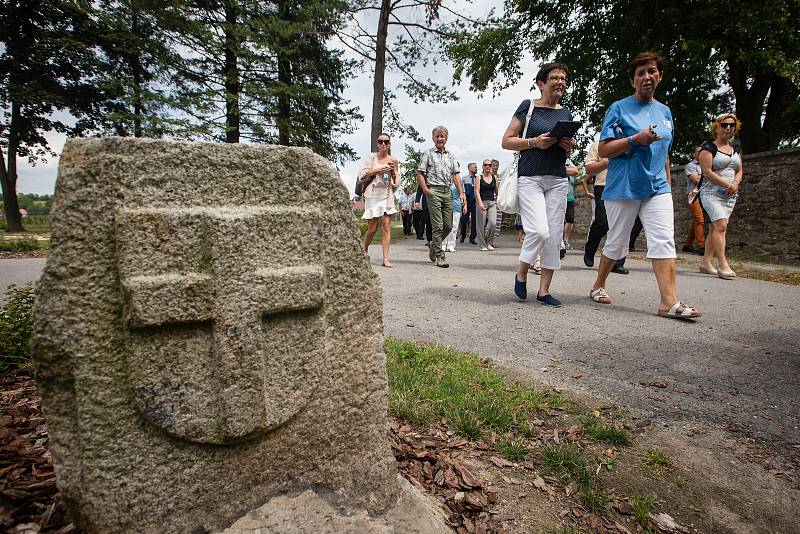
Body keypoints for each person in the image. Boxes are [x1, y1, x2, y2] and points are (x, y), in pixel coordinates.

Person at [589, 51, 701, 320]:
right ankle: (598, 285)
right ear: (633, 81)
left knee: (663, 240)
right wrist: (634, 139)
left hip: (657, 187)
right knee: (617, 243)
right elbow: (605, 148)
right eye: (641, 73)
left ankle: (668, 302)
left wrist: (668, 181)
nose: (647, 77)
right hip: (624, 186)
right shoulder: (619, 108)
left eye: (652, 71)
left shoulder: (665, 112)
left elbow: (665, 151)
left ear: (659, 76)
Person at [501, 62, 575, 307]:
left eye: (564, 78)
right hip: (530, 176)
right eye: (555, 77)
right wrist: (534, 142)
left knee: (554, 237)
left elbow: (569, 144)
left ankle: (544, 291)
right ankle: (522, 271)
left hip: (557, 178)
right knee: (539, 231)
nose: (561, 82)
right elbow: (507, 141)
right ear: (541, 83)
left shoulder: (565, 113)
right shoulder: (528, 106)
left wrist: (568, 146)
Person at [698, 114, 744, 279]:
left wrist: (735, 184)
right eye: (724, 125)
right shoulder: (708, 148)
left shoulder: (736, 149)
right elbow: (707, 172)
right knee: (721, 226)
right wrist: (727, 185)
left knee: (715, 228)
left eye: (732, 125)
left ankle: (706, 262)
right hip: (711, 192)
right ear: (717, 127)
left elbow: (739, 170)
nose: (728, 128)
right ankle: (723, 265)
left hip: (730, 195)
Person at [417, 126, 467, 268]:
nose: (440, 139)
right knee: (437, 225)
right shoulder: (428, 154)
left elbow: (455, 175)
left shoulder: (450, 155)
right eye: (437, 136)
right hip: (434, 191)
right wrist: (426, 190)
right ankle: (440, 255)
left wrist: (461, 193)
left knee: (449, 225)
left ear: (446, 139)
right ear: (433, 138)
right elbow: (420, 173)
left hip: (447, 192)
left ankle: (434, 244)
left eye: (442, 136)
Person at [582, 139, 634, 275]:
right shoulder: (598, 144)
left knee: (623, 224)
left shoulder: (631, 140)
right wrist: (606, 162)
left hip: (624, 185)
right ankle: (590, 249)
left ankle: (618, 262)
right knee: (603, 222)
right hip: (602, 185)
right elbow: (589, 167)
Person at [359, 132, 399, 267]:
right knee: (372, 228)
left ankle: (385, 258)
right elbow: (362, 175)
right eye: (381, 141)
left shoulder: (393, 160)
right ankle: (363, 250)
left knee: (386, 226)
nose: (383, 144)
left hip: (387, 194)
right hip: (373, 194)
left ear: (389, 144)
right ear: (377, 143)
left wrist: (392, 172)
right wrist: (379, 169)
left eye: (386, 142)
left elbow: (396, 183)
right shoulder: (371, 158)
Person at [682, 146, 705, 254]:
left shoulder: (706, 164)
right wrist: (706, 175)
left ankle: (687, 244)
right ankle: (701, 246)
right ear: (694, 154)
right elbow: (696, 180)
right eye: (698, 151)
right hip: (693, 195)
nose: (701, 153)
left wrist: (703, 175)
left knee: (697, 220)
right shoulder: (690, 166)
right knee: (700, 219)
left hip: (705, 195)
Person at [476, 159, 498, 251]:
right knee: (481, 224)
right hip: (482, 201)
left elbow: (497, 191)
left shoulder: (494, 177)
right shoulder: (479, 178)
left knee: (493, 223)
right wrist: (480, 203)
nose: (488, 166)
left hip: (492, 202)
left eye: (489, 165)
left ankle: (489, 242)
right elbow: (476, 191)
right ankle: (482, 244)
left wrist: (499, 200)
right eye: (486, 165)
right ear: (483, 166)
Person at [561, 159, 579, 256]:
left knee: (570, 219)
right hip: (560, 195)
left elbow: (575, 171)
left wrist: (560, 171)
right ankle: (559, 243)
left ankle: (565, 240)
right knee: (558, 220)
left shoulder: (568, 161)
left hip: (569, 197)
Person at [460, 162, 478, 244]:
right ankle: (463, 235)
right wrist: (463, 202)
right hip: (466, 202)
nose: (476, 168)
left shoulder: (478, 179)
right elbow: (462, 191)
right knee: (464, 220)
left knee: (475, 221)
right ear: (469, 168)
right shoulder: (464, 179)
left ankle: (472, 238)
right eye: (475, 167)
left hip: (475, 202)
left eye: (476, 167)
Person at [442, 182, 463, 253]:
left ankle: (451, 245)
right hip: (445, 205)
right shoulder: (444, 181)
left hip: (456, 205)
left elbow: (463, 194)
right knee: (445, 225)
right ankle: (443, 244)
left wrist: (465, 204)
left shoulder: (459, 183)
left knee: (454, 227)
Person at [491, 159, 503, 243]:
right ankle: (488, 239)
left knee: (497, 221)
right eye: (494, 165)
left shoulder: (501, 177)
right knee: (490, 221)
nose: (495, 167)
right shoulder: (488, 176)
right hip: (490, 200)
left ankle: (493, 240)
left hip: (499, 201)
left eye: (496, 165)